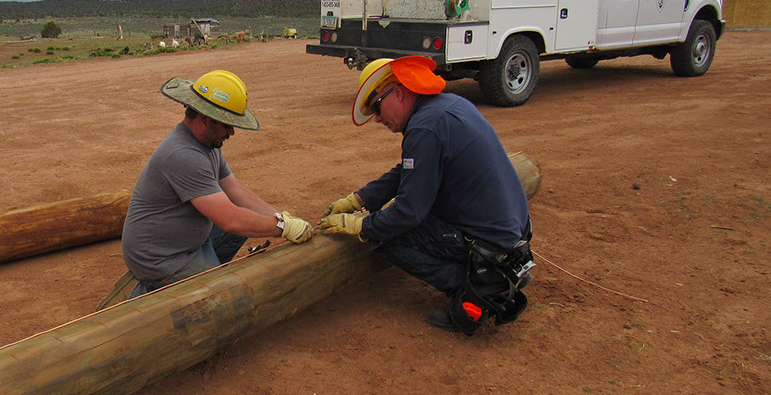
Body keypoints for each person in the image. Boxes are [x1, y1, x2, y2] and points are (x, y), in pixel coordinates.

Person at [318, 56, 534, 335]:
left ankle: (479, 289)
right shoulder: (447, 107)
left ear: (398, 91)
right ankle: (495, 272)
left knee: (386, 234)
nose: (377, 118)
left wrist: (362, 225)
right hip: (510, 235)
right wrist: (359, 199)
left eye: (376, 107)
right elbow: (410, 170)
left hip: (488, 243)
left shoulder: (424, 127)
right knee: (394, 219)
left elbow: (409, 212)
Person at [121, 69, 314, 299]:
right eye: (226, 124)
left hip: (185, 243)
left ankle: (204, 273)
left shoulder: (207, 144)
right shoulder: (184, 155)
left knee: (247, 221)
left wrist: (282, 218)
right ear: (205, 118)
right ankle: (157, 288)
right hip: (162, 258)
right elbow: (230, 220)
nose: (232, 132)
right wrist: (282, 228)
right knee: (230, 299)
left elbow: (235, 191)